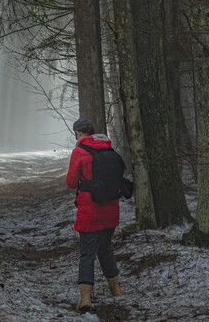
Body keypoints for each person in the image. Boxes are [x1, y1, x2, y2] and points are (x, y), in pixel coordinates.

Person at [65, 117, 122, 312]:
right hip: (111, 208)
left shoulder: (79, 152)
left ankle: (85, 298)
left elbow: (71, 182)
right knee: (105, 249)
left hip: (90, 210)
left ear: (79, 133)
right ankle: (116, 290)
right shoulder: (109, 149)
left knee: (87, 253)